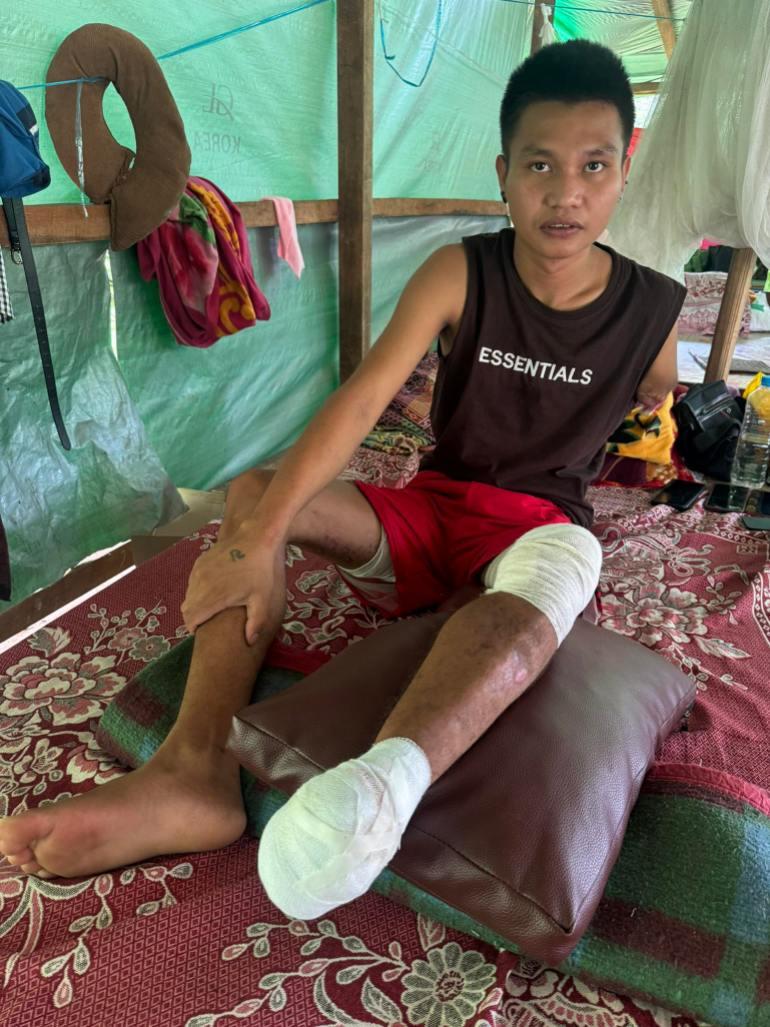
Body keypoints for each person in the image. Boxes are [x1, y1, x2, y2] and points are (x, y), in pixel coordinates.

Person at [0, 40, 685, 917]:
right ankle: (192, 769)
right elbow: (362, 402)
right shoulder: (461, 270)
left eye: (594, 165)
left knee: (575, 555)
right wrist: (252, 542)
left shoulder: (655, 309)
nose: (567, 192)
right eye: (540, 166)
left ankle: (384, 785)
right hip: (430, 518)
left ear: (624, 170)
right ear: (504, 173)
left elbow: (657, 400)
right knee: (252, 496)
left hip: (535, 535)